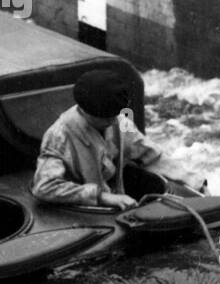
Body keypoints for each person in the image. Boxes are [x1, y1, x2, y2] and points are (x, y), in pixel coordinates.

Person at [32, 69, 198, 209]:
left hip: (116, 205)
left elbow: (150, 154)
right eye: (105, 118)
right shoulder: (59, 135)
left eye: (115, 115)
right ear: (85, 111)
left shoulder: (119, 121)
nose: (112, 121)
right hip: (77, 213)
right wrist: (101, 197)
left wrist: (193, 181)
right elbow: (44, 187)